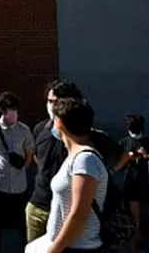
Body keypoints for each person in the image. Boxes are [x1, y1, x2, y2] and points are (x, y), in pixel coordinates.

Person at [26, 80, 122, 242]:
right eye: (50, 101)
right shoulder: (40, 130)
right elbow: (37, 157)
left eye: (58, 102)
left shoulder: (86, 140)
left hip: (67, 211)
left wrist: (111, 171)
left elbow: (120, 154)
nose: (52, 107)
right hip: (39, 205)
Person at [45, 97, 109, 252]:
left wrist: (54, 249)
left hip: (79, 248)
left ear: (59, 122)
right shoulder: (76, 158)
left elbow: (79, 216)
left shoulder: (84, 161)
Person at [0, 91, 34, 253]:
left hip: (19, 185)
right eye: (11, 109)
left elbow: (29, 152)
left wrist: (23, 166)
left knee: (21, 225)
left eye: (15, 109)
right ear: (3, 111)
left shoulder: (24, 130)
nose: (14, 112)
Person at [116, 114, 149, 253]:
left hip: (142, 184)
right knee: (144, 223)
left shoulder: (127, 143)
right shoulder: (127, 143)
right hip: (139, 185)